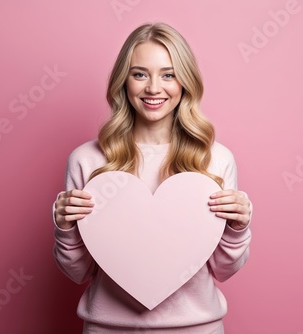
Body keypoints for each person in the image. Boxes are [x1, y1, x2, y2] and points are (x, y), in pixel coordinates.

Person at [53, 22, 252, 333]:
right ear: (124, 80)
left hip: (196, 328)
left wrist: (238, 229)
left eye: (168, 74)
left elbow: (224, 270)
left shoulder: (215, 160)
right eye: (140, 73)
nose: (154, 88)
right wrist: (65, 229)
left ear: (185, 81)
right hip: (108, 328)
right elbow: (78, 273)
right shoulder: (87, 160)